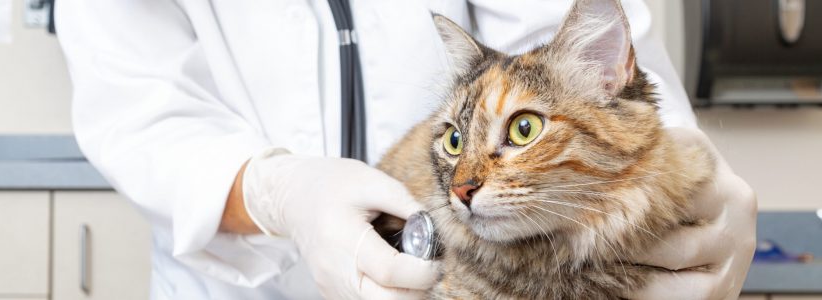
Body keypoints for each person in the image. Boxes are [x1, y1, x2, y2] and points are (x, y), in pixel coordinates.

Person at [56, 0, 757, 299]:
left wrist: (669, 171)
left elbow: (577, 40)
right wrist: (279, 194)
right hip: (245, 288)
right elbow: (140, 107)